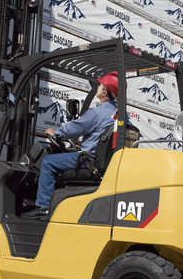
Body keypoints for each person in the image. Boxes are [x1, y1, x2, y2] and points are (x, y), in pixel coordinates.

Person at [23, 72, 119, 218]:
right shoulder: (120, 115)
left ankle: (43, 207)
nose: (98, 87)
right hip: (103, 162)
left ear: (104, 92)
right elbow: (105, 139)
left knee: (48, 162)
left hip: (90, 161)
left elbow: (74, 128)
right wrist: (86, 145)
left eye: (100, 85)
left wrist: (55, 133)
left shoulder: (97, 113)